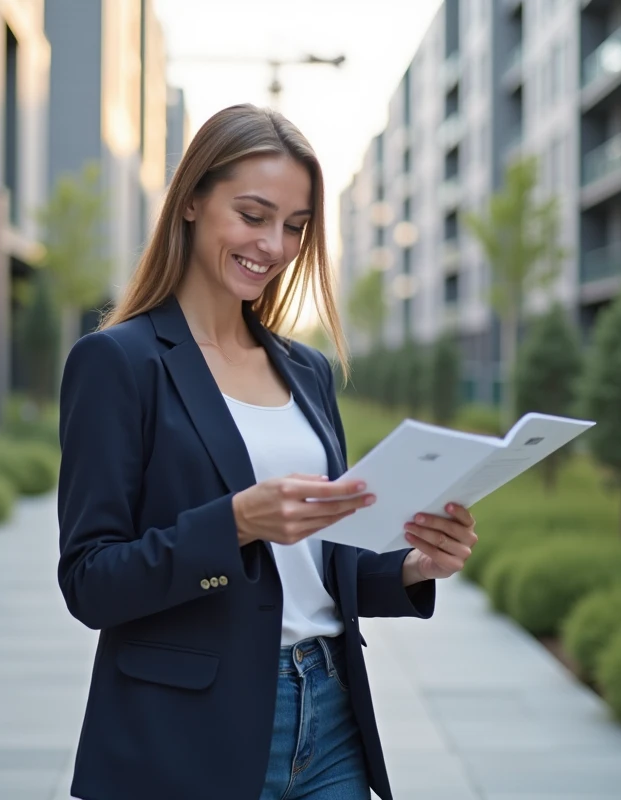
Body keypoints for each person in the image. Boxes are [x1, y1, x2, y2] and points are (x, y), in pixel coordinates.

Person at [56, 103, 478, 800]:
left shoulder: (304, 369)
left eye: (295, 225)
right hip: (187, 733)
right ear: (191, 202)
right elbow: (91, 582)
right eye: (252, 216)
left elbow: (321, 567)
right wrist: (236, 524)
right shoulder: (118, 363)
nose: (275, 246)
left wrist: (412, 566)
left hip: (331, 715)